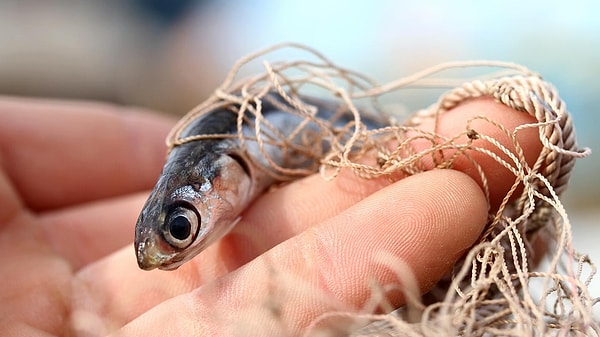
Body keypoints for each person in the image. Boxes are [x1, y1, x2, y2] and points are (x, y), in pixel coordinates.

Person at [0, 95, 541, 336]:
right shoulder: (216, 158)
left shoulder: (232, 146)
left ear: (225, 173)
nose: (177, 245)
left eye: (182, 225)